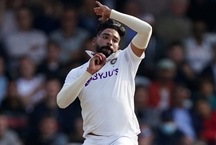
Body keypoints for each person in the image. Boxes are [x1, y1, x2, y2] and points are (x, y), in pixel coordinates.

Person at [56, 1, 152, 145]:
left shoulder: (126, 58)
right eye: (106, 37)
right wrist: (89, 73)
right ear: (95, 41)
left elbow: (146, 30)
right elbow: (61, 102)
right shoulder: (78, 72)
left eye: (115, 40)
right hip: (93, 139)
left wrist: (112, 14)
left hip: (123, 137)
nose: (110, 42)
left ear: (119, 46)